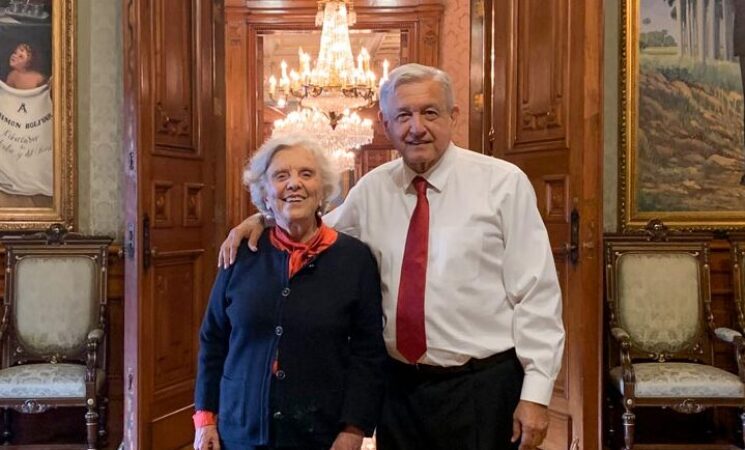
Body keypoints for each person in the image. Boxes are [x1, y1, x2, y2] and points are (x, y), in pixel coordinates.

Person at [218, 63, 565, 450]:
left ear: (453, 117)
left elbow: (537, 293)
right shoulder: (372, 190)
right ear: (385, 124)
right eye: (403, 115)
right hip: (398, 391)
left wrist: (535, 393)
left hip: (481, 388)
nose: (416, 126)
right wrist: (262, 219)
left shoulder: (502, 184)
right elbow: (312, 226)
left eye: (429, 112)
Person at [195, 135, 387, 450]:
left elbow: (368, 353)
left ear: (322, 188)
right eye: (281, 176)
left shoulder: (354, 259)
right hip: (240, 429)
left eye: (306, 174)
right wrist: (205, 419)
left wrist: (354, 429)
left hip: (319, 431)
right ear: (265, 194)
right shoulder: (240, 254)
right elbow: (212, 339)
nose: (293, 184)